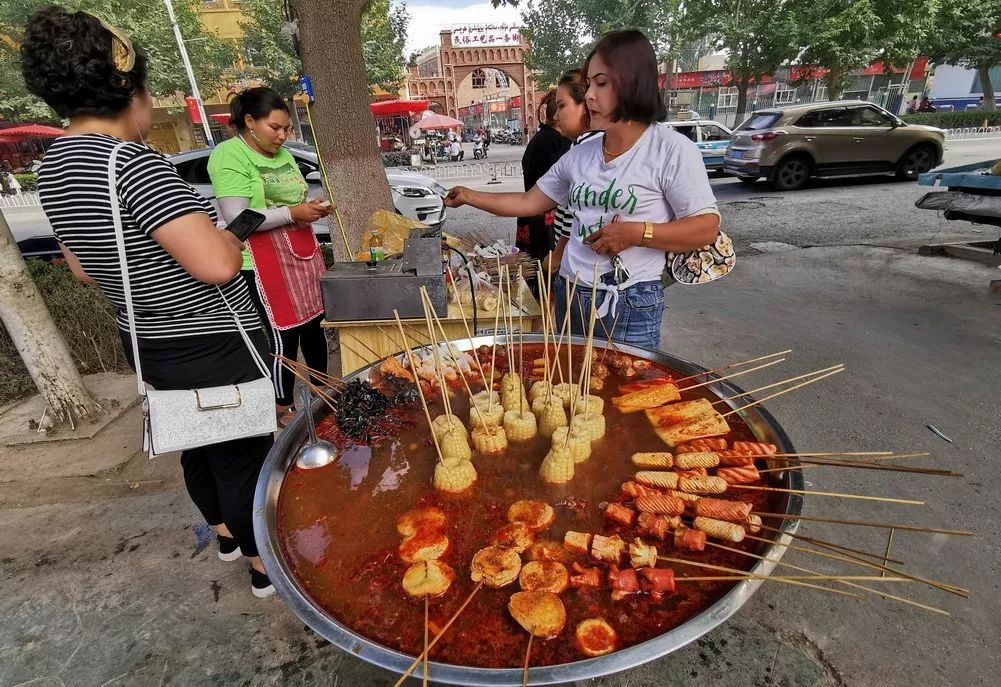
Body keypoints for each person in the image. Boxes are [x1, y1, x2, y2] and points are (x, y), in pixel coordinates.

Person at [22, 6, 276, 597]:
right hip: (211, 342)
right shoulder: (133, 163)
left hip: (145, 340)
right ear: (130, 90)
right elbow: (215, 264)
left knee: (194, 441)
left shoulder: (54, 166)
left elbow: (85, 270)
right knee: (242, 454)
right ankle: (265, 564)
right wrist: (226, 233)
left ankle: (225, 534)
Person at [445, 30, 720, 350]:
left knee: (627, 394)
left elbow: (706, 228)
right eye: (589, 84)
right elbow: (528, 201)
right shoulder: (580, 154)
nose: (590, 95)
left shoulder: (670, 150)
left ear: (632, 84)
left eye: (601, 83)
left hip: (627, 300)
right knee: (571, 392)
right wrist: (469, 196)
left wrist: (635, 233)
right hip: (570, 293)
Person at [207, 87, 332, 427]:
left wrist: (312, 209)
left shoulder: (284, 154)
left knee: (314, 326)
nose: (282, 135)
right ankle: (282, 406)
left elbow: (291, 199)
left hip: (300, 253)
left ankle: (323, 392)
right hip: (260, 262)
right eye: (274, 127)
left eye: (286, 128)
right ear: (249, 121)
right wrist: (293, 212)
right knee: (284, 335)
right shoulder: (229, 155)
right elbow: (238, 219)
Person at [516, 90, 570, 262]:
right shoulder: (557, 141)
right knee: (547, 274)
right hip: (546, 220)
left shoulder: (541, 137)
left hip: (532, 215)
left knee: (535, 274)